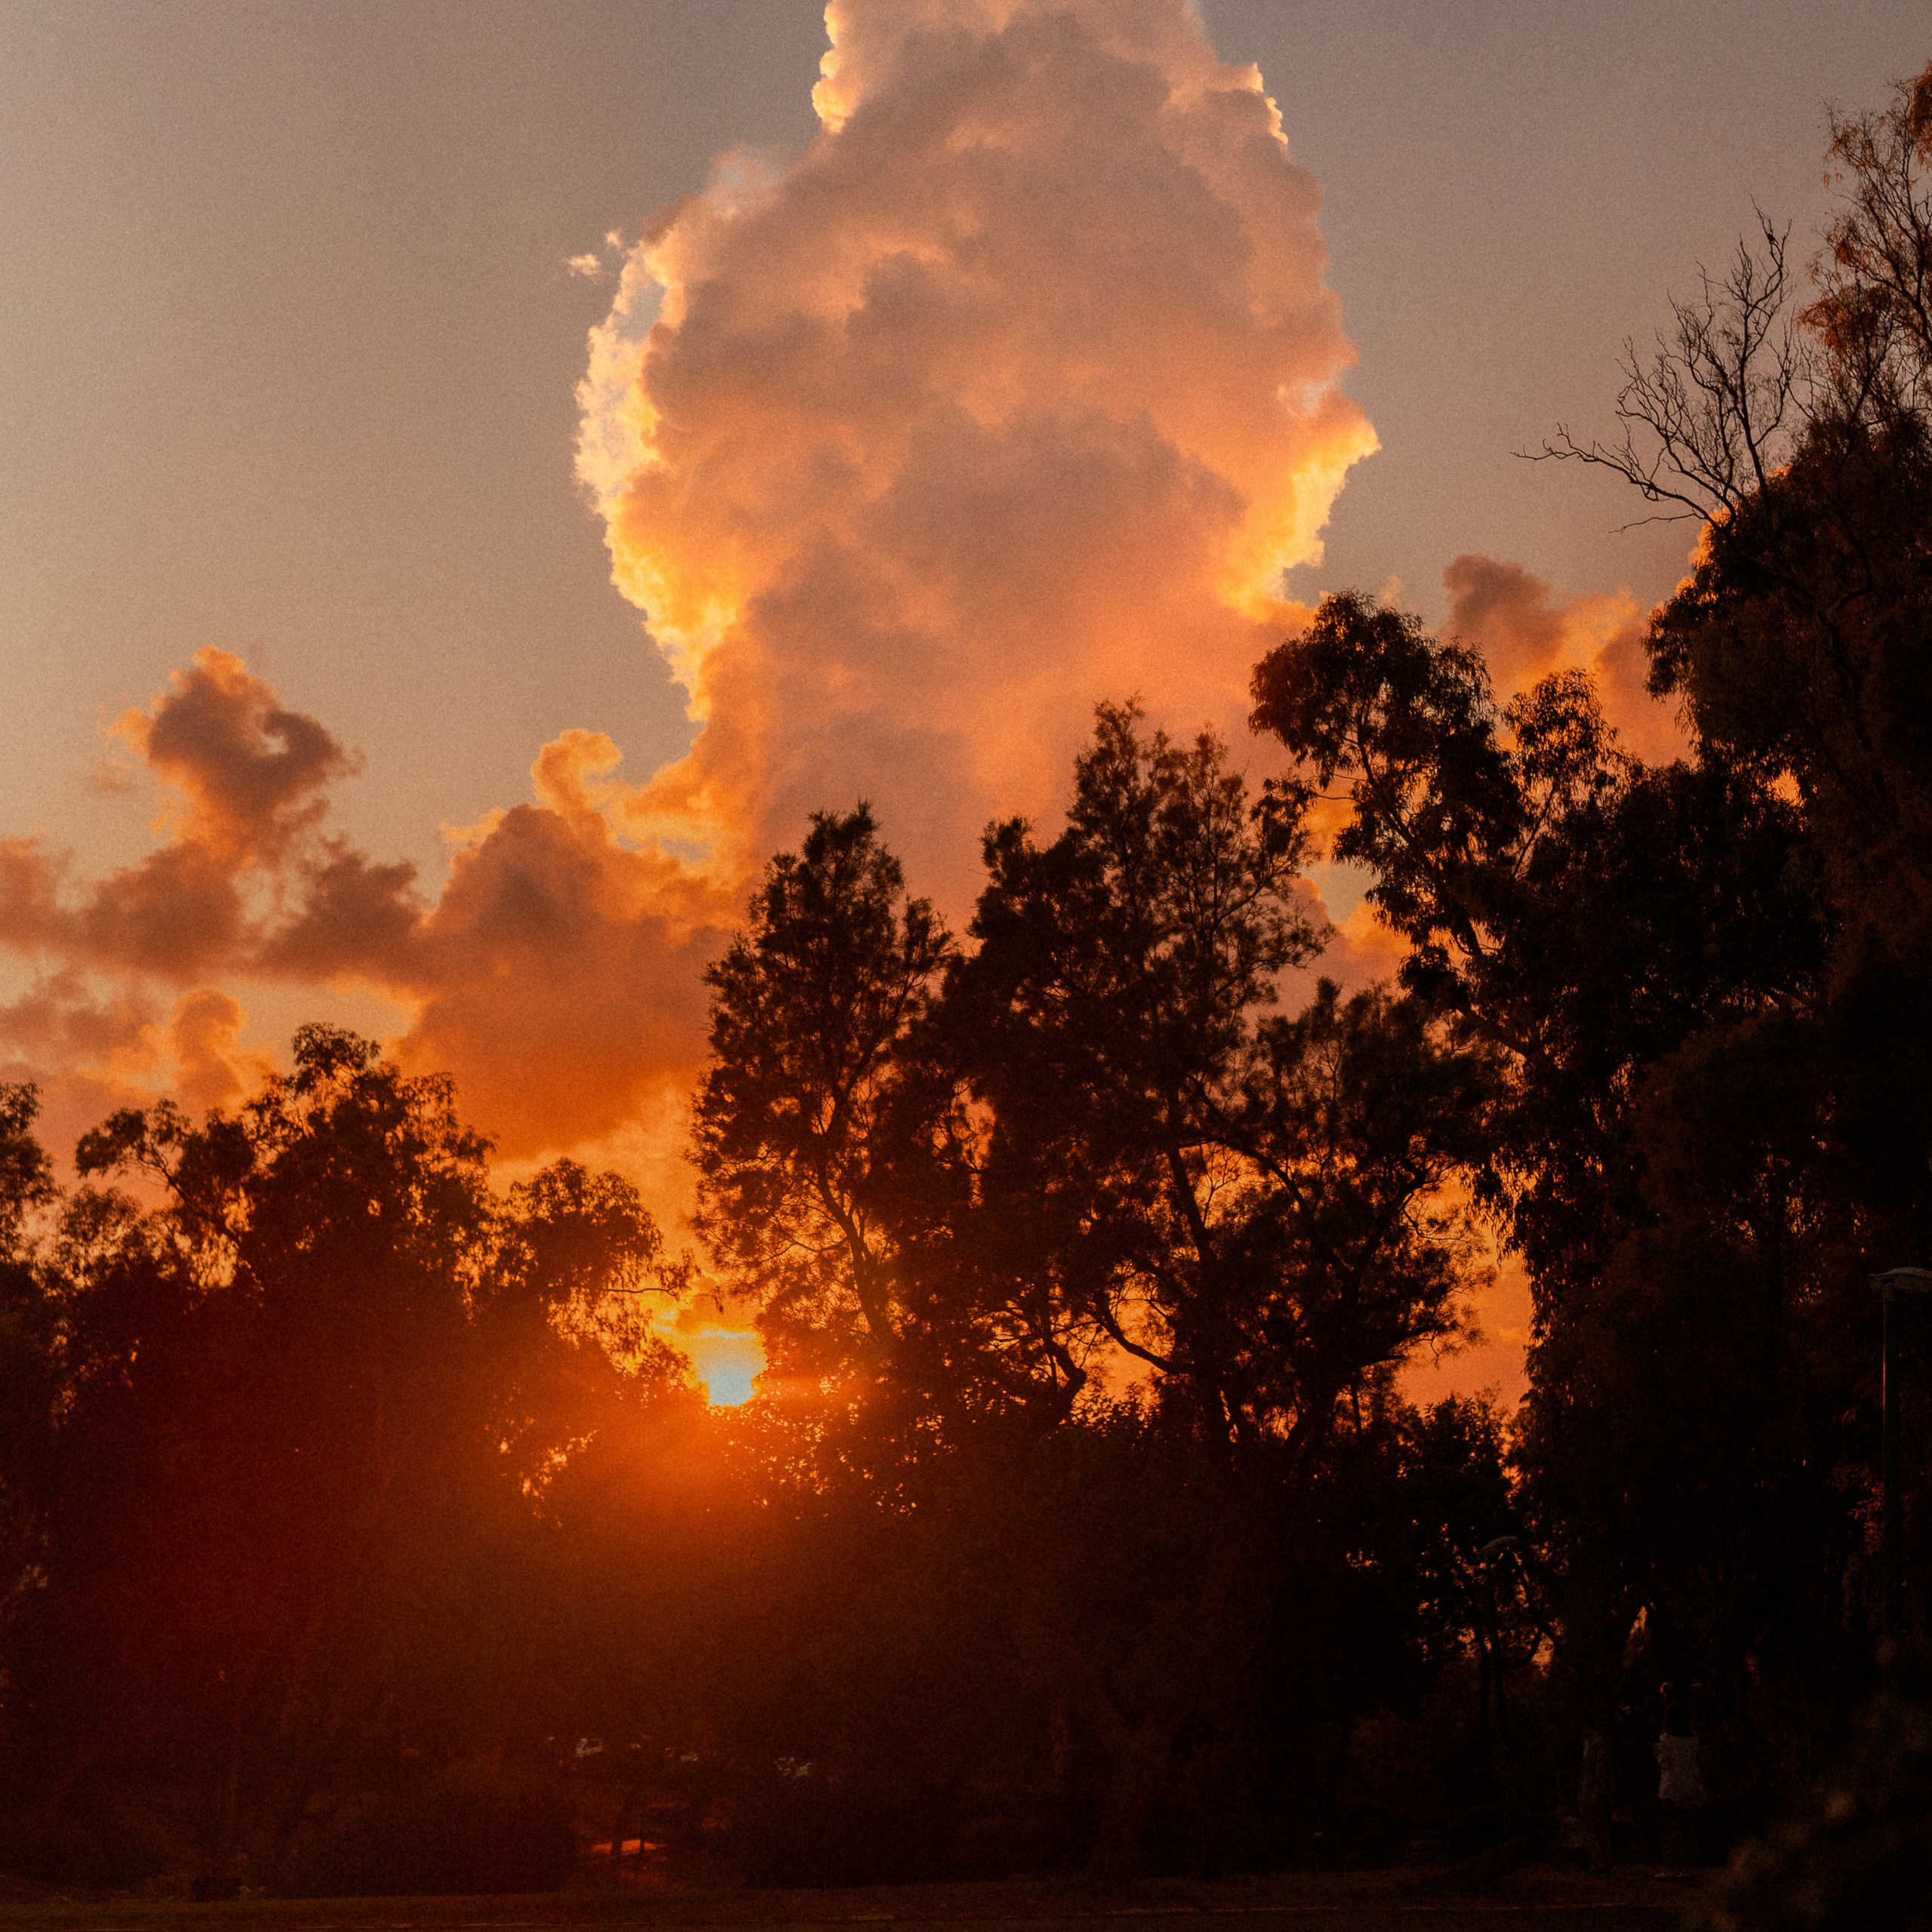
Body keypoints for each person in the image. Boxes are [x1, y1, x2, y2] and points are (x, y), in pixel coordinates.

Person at [1654, 1700, 1706, 1875]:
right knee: (1688, 1829)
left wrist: (1657, 1753)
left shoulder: (1666, 1739)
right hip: (1691, 1784)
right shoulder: (1693, 1739)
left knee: (1671, 1830)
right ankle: (1688, 1867)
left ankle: (1671, 1867)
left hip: (1672, 1786)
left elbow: (1665, 1763)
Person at [1579, 1724, 1615, 1873]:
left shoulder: (1597, 1744)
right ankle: (1601, 1861)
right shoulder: (1591, 1743)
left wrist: (1596, 1794)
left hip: (1594, 1792)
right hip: (1591, 1791)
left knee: (1596, 1828)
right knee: (1598, 1829)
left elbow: (1600, 1772)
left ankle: (1600, 1862)